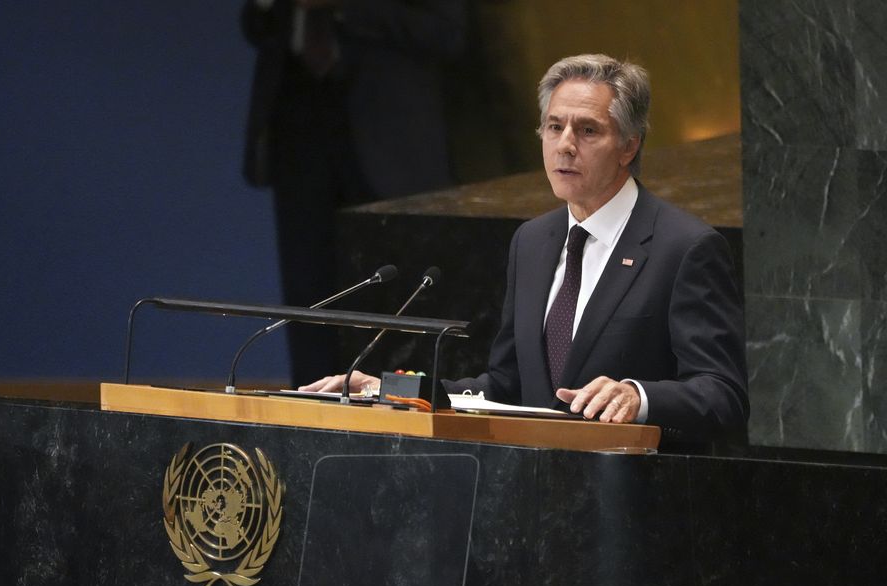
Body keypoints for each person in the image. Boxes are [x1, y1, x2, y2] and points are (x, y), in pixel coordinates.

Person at [302, 53, 749, 445]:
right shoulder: (533, 242)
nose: (565, 145)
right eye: (554, 127)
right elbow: (505, 386)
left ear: (629, 146)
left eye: (588, 130)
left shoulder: (684, 247)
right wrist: (387, 391)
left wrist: (639, 396)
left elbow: (723, 395)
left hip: (635, 503)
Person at [241, 0, 466, 387]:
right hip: (296, 128)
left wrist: (345, 7)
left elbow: (449, 33)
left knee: (396, 294)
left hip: (394, 137)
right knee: (308, 295)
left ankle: (393, 410)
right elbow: (256, 24)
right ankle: (310, 417)